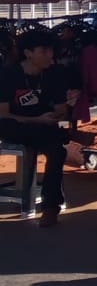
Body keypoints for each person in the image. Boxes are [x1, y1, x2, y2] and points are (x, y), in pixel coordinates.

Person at [0, 30, 72, 227]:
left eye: (51, 51)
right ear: (28, 53)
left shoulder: (54, 74)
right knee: (50, 135)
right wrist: (37, 120)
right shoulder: (9, 74)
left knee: (57, 150)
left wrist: (59, 113)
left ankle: (50, 207)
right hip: (13, 125)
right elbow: (3, 114)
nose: (50, 55)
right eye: (44, 51)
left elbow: (60, 109)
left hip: (43, 126)